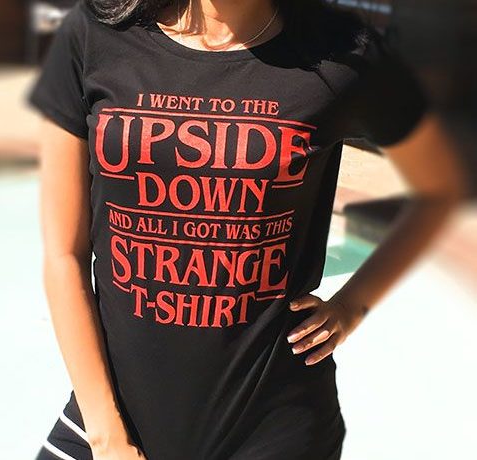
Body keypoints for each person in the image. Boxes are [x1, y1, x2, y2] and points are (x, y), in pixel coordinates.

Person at [26, 0, 468, 459]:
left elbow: (440, 189)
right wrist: (106, 437)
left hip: (272, 428)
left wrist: (352, 306)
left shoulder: (341, 52)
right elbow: (64, 254)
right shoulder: (95, 35)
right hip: (107, 425)